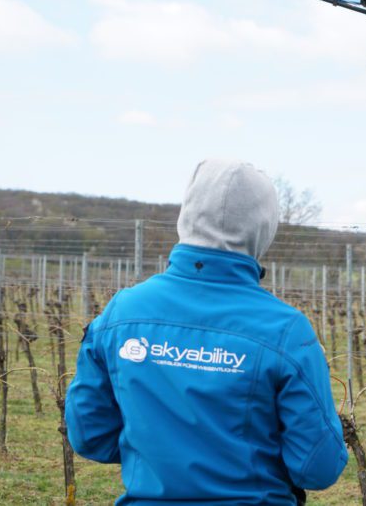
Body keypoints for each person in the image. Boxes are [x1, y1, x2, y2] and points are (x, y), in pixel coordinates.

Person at [65, 159, 348, 505]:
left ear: (187, 214)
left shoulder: (121, 313)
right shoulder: (285, 330)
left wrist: (156, 458)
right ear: (264, 229)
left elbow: (89, 434)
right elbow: (317, 467)